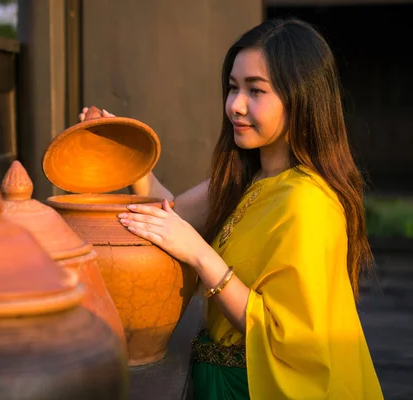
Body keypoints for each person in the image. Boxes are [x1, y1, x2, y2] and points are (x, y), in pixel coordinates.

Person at [78, 17, 383, 400]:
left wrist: (200, 254)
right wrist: (125, 151)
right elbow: (170, 216)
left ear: (302, 97)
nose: (236, 106)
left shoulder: (308, 203)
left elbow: (288, 339)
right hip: (216, 379)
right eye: (233, 88)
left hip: (254, 386)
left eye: (256, 91)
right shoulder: (248, 180)